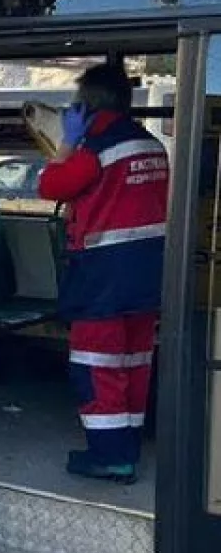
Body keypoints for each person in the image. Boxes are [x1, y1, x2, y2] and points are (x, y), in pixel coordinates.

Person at [37, 63, 169, 484]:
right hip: (148, 279)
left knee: (96, 366)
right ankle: (126, 446)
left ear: (87, 107)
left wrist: (66, 146)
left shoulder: (95, 149)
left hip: (104, 281)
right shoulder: (150, 145)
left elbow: (51, 187)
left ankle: (109, 457)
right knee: (134, 364)